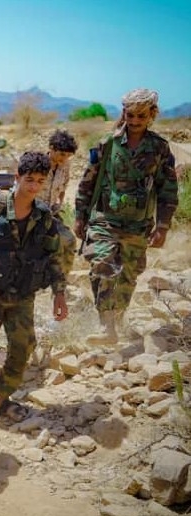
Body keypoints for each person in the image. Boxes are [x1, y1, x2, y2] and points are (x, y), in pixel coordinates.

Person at [0, 152, 68, 422]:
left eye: (40, 181)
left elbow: (55, 256)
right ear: (17, 177)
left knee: (23, 346)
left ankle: (3, 398)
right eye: (29, 180)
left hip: (22, 295)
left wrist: (59, 294)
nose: (34, 186)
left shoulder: (43, 216)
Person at [74, 89, 178, 345]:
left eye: (141, 115)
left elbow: (167, 189)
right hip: (105, 220)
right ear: (124, 114)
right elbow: (87, 182)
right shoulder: (107, 144)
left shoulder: (159, 148)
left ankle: (118, 320)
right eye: (130, 115)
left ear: (152, 115)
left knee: (128, 276)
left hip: (138, 225)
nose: (135, 120)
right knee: (102, 264)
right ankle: (106, 326)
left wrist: (162, 226)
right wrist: (80, 216)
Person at [41, 129, 78, 276]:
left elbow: (63, 187)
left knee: (69, 241)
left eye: (68, 155)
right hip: (33, 212)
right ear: (51, 148)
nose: (65, 158)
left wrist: (59, 204)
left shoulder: (65, 166)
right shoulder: (38, 163)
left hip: (51, 212)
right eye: (62, 154)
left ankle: (60, 281)